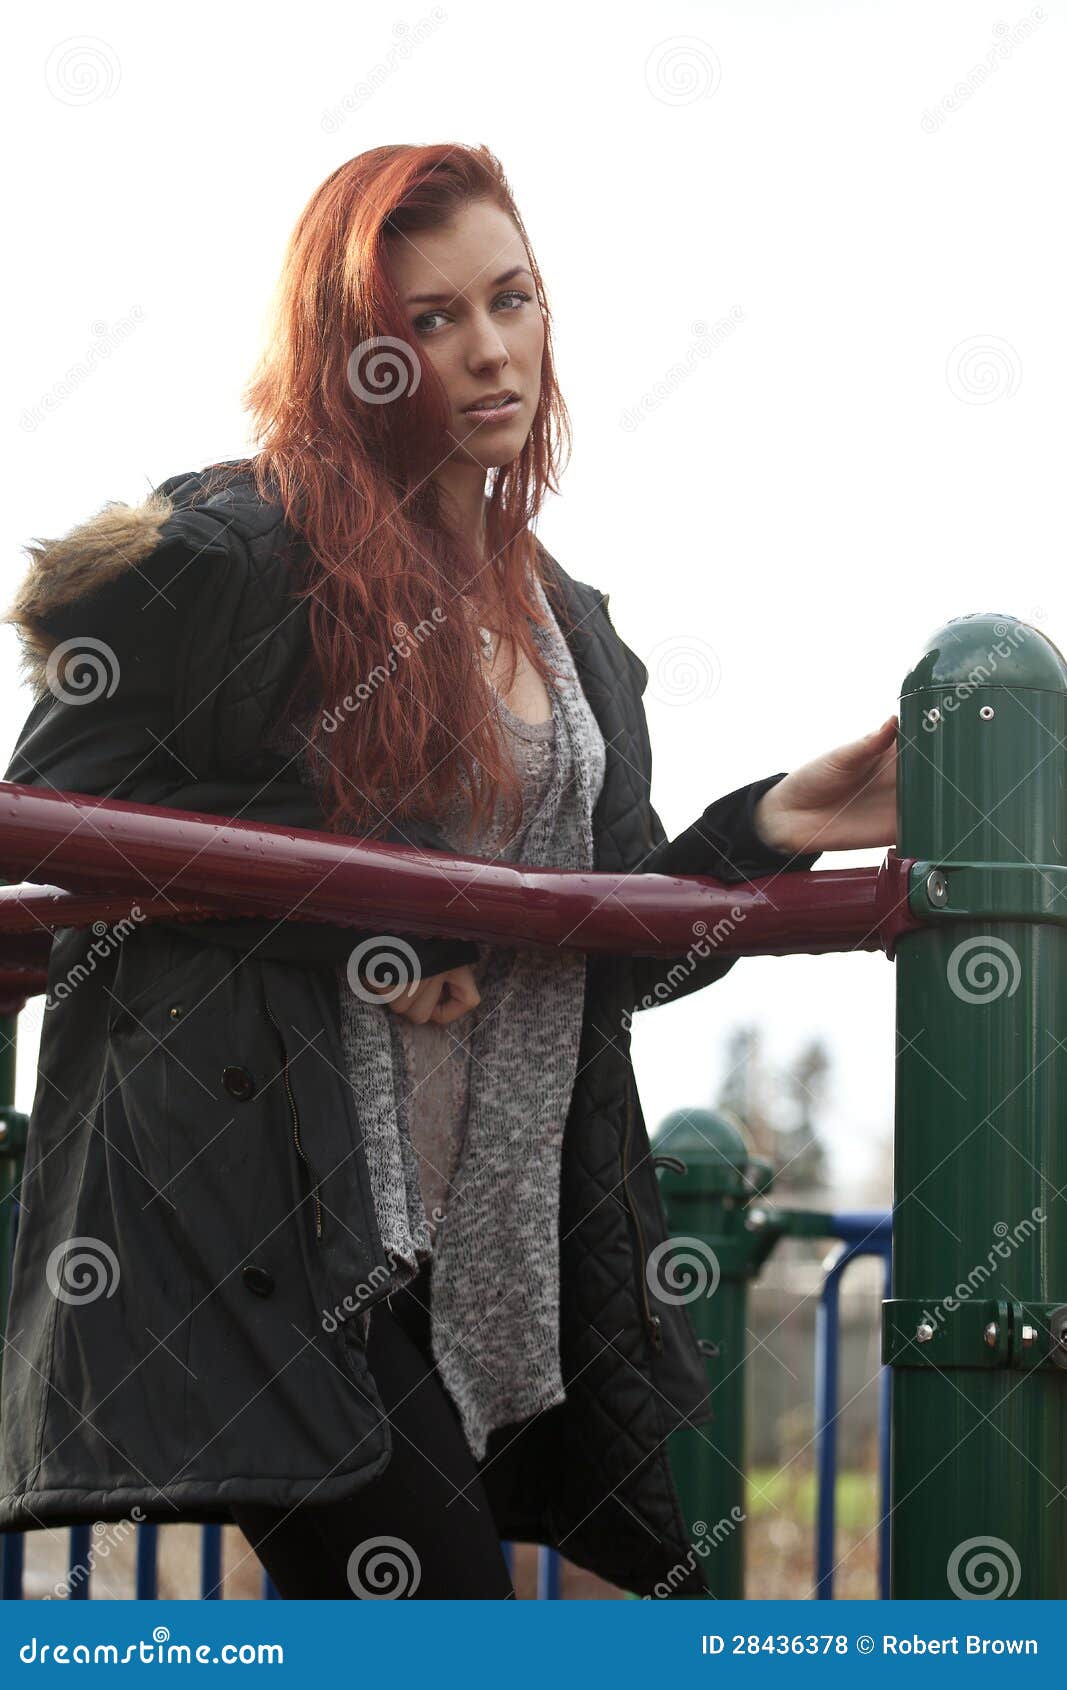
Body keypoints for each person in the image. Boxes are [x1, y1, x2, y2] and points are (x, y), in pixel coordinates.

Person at [0, 143, 896, 1600]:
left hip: (479, 1256)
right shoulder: (233, 554)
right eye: (428, 321)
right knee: (447, 1608)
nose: (488, 350)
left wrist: (778, 823)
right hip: (270, 1226)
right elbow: (51, 799)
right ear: (350, 354)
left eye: (511, 298)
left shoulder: (572, 630)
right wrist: (376, 905)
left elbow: (598, 948)